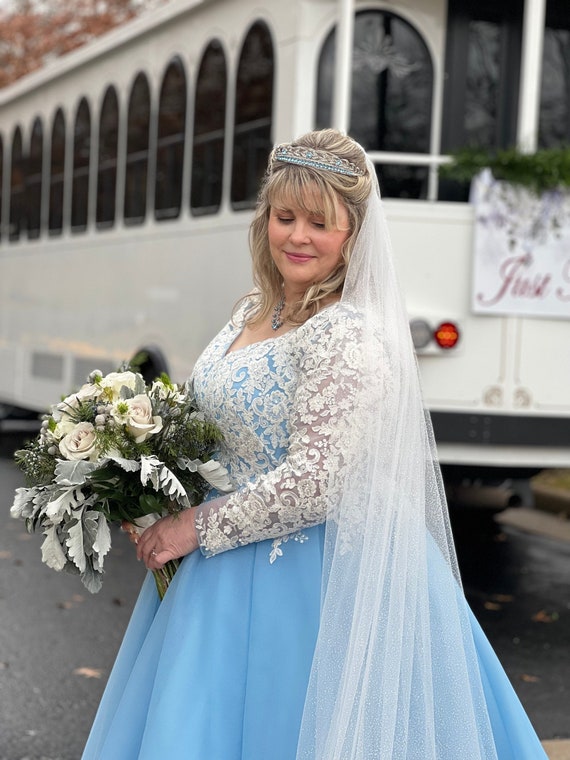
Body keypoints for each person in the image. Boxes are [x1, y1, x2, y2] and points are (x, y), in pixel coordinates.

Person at [82, 129, 548, 759]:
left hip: (313, 577)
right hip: (217, 565)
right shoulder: (254, 307)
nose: (297, 236)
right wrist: (142, 475)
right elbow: (207, 419)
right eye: (284, 217)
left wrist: (194, 527)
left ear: (353, 233)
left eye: (320, 223)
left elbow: (318, 481)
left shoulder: (346, 335)